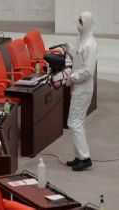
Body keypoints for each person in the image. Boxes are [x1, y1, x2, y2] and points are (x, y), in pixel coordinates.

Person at [63, 11, 97, 171]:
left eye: (81, 22)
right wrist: (70, 50)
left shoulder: (90, 43)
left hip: (83, 88)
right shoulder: (82, 39)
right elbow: (79, 58)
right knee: (79, 122)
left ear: (87, 23)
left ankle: (85, 157)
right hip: (79, 87)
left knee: (73, 122)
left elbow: (88, 70)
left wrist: (72, 78)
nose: (79, 24)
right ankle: (79, 157)